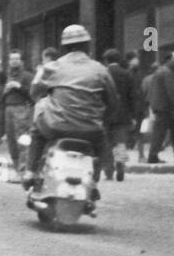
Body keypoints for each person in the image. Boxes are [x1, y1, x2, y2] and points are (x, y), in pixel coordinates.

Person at [23, 24, 119, 192]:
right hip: (91, 130)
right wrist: (101, 118)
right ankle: (96, 179)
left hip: (56, 127)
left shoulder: (53, 67)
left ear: (64, 47)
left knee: (38, 119)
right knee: (100, 139)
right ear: (87, 45)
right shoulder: (100, 70)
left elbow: (34, 92)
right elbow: (113, 102)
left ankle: (30, 171)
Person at [102, 48, 138, 182]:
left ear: (106, 61)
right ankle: (120, 162)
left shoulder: (103, 74)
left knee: (107, 142)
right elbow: (133, 96)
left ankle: (108, 171)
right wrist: (133, 115)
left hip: (105, 114)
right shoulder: (127, 74)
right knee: (120, 141)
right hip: (123, 114)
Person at [146, 50, 174, 163]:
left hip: (161, 107)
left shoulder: (161, 71)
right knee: (161, 132)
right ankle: (153, 156)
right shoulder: (166, 72)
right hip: (165, 107)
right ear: (169, 60)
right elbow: (171, 91)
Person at [0, 52, 34, 180]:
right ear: (8, 61)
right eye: (12, 59)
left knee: (22, 139)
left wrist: (18, 86)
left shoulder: (27, 76)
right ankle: (17, 170)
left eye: (17, 59)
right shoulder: (7, 76)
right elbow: (2, 95)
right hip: (8, 108)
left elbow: (33, 95)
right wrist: (5, 92)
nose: (14, 61)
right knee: (11, 140)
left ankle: (24, 170)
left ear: (21, 61)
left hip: (21, 108)